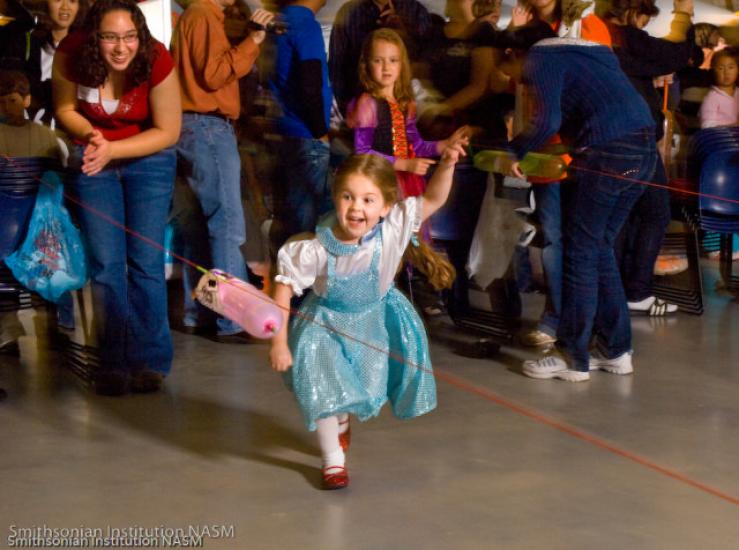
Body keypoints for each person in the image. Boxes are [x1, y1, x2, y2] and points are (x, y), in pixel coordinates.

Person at [269, 145, 466, 490]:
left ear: (386, 206)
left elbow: (433, 200)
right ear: (335, 198)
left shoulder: (393, 230)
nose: (356, 207)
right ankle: (332, 461)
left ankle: (342, 422)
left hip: (372, 322)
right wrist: (279, 341)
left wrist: (447, 164)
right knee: (326, 388)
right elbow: (284, 288)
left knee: (359, 389)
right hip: (324, 326)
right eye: (348, 197)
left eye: (368, 200)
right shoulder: (315, 247)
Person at [508, 19, 658, 382]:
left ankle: (572, 355)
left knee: (578, 251)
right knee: (598, 246)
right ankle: (616, 349)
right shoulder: (585, 53)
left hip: (609, 151)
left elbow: (547, 122)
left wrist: (514, 150)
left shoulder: (540, 58)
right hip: (645, 147)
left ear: (513, 56)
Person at [53, 0, 181, 395]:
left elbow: (168, 130)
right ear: (95, 38)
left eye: (129, 37)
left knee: (144, 260)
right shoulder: (71, 52)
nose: (121, 47)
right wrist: (92, 136)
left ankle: (149, 361)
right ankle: (112, 362)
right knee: (106, 263)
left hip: (150, 159)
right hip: (95, 158)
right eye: (110, 37)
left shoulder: (157, 57)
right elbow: (64, 108)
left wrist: (113, 148)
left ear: (140, 37)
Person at [171, 0, 273, 342]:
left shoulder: (199, 15)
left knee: (198, 226)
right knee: (226, 222)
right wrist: (253, 42)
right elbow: (214, 74)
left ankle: (197, 313)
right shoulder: (203, 13)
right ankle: (229, 319)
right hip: (208, 127)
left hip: (193, 127)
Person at [604, 0, 694, 316]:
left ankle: (620, 291)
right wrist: (684, 15)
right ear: (633, 11)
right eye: (643, 18)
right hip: (633, 140)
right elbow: (675, 54)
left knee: (632, 215)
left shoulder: (609, 38)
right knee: (649, 213)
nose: (643, 25)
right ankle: (634, 291)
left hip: (622, 138)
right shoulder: (624, 34)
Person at [347, 28, 470, 199]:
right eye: (377, 60)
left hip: (405, 181)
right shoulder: (368, 103)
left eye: (393, 60)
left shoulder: (407, 104)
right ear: (366, 64)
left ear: (402, 64)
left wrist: (445, 144)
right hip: (376, 181)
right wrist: (403, 164)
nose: (386, 67)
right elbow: (363, 151)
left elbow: (416, 145)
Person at [0, 70, 66, 360]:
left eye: (11, 101)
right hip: (25, 224)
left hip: (28, 223)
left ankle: (45, 327)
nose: (5, 108)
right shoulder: (45, 135)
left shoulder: (44, 135)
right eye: (0, 102)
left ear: (26, 100)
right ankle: (11, 330)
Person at [268, 0, 333, 248]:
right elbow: (310, 82)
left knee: (287, 225)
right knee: (308, 233)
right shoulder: (305, 23)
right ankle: (304, 288)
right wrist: (321, 131)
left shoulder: (279, 22)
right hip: (305, 136)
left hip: (282, 133)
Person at [329, 0, 433, 117]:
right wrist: (347, 111)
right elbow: (337, 67)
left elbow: (427, 64)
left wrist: (403, 32)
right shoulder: (350, 13)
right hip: (362, 109)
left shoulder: (416, 12)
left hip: (409, 106)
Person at [28, 0, 88, 126]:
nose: (65, 7)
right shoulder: (28, 41)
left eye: (72, 1)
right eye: (58, 0)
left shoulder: (86, 46)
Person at [699, 48, 738, 128]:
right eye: (721, 68)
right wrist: (733, 126)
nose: (726, 72)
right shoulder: (712, 98)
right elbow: (706, 126)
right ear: (714, 71)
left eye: (731, 67)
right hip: (721, 138)